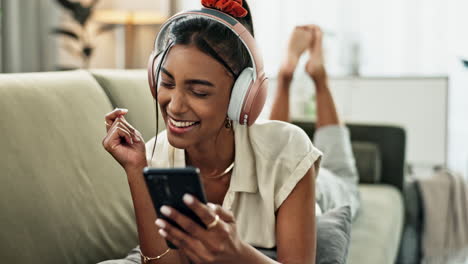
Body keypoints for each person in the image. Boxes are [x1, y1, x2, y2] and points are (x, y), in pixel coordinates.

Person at [100, 1, 321, 264]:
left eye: (199, 92)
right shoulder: (154, 155)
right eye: (167, 82)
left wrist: (236, 254)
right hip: (269, 152)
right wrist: (137, 170)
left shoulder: (290, 151)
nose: (175, 106)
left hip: (314, 188)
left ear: (242, 98)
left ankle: (293, 76)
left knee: (341, 176)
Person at [270, 25, 360, 220]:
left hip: (299, 181)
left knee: (271, 158)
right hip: (326, 185)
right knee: (343, 178)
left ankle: (287, 79)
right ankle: (318, 79)